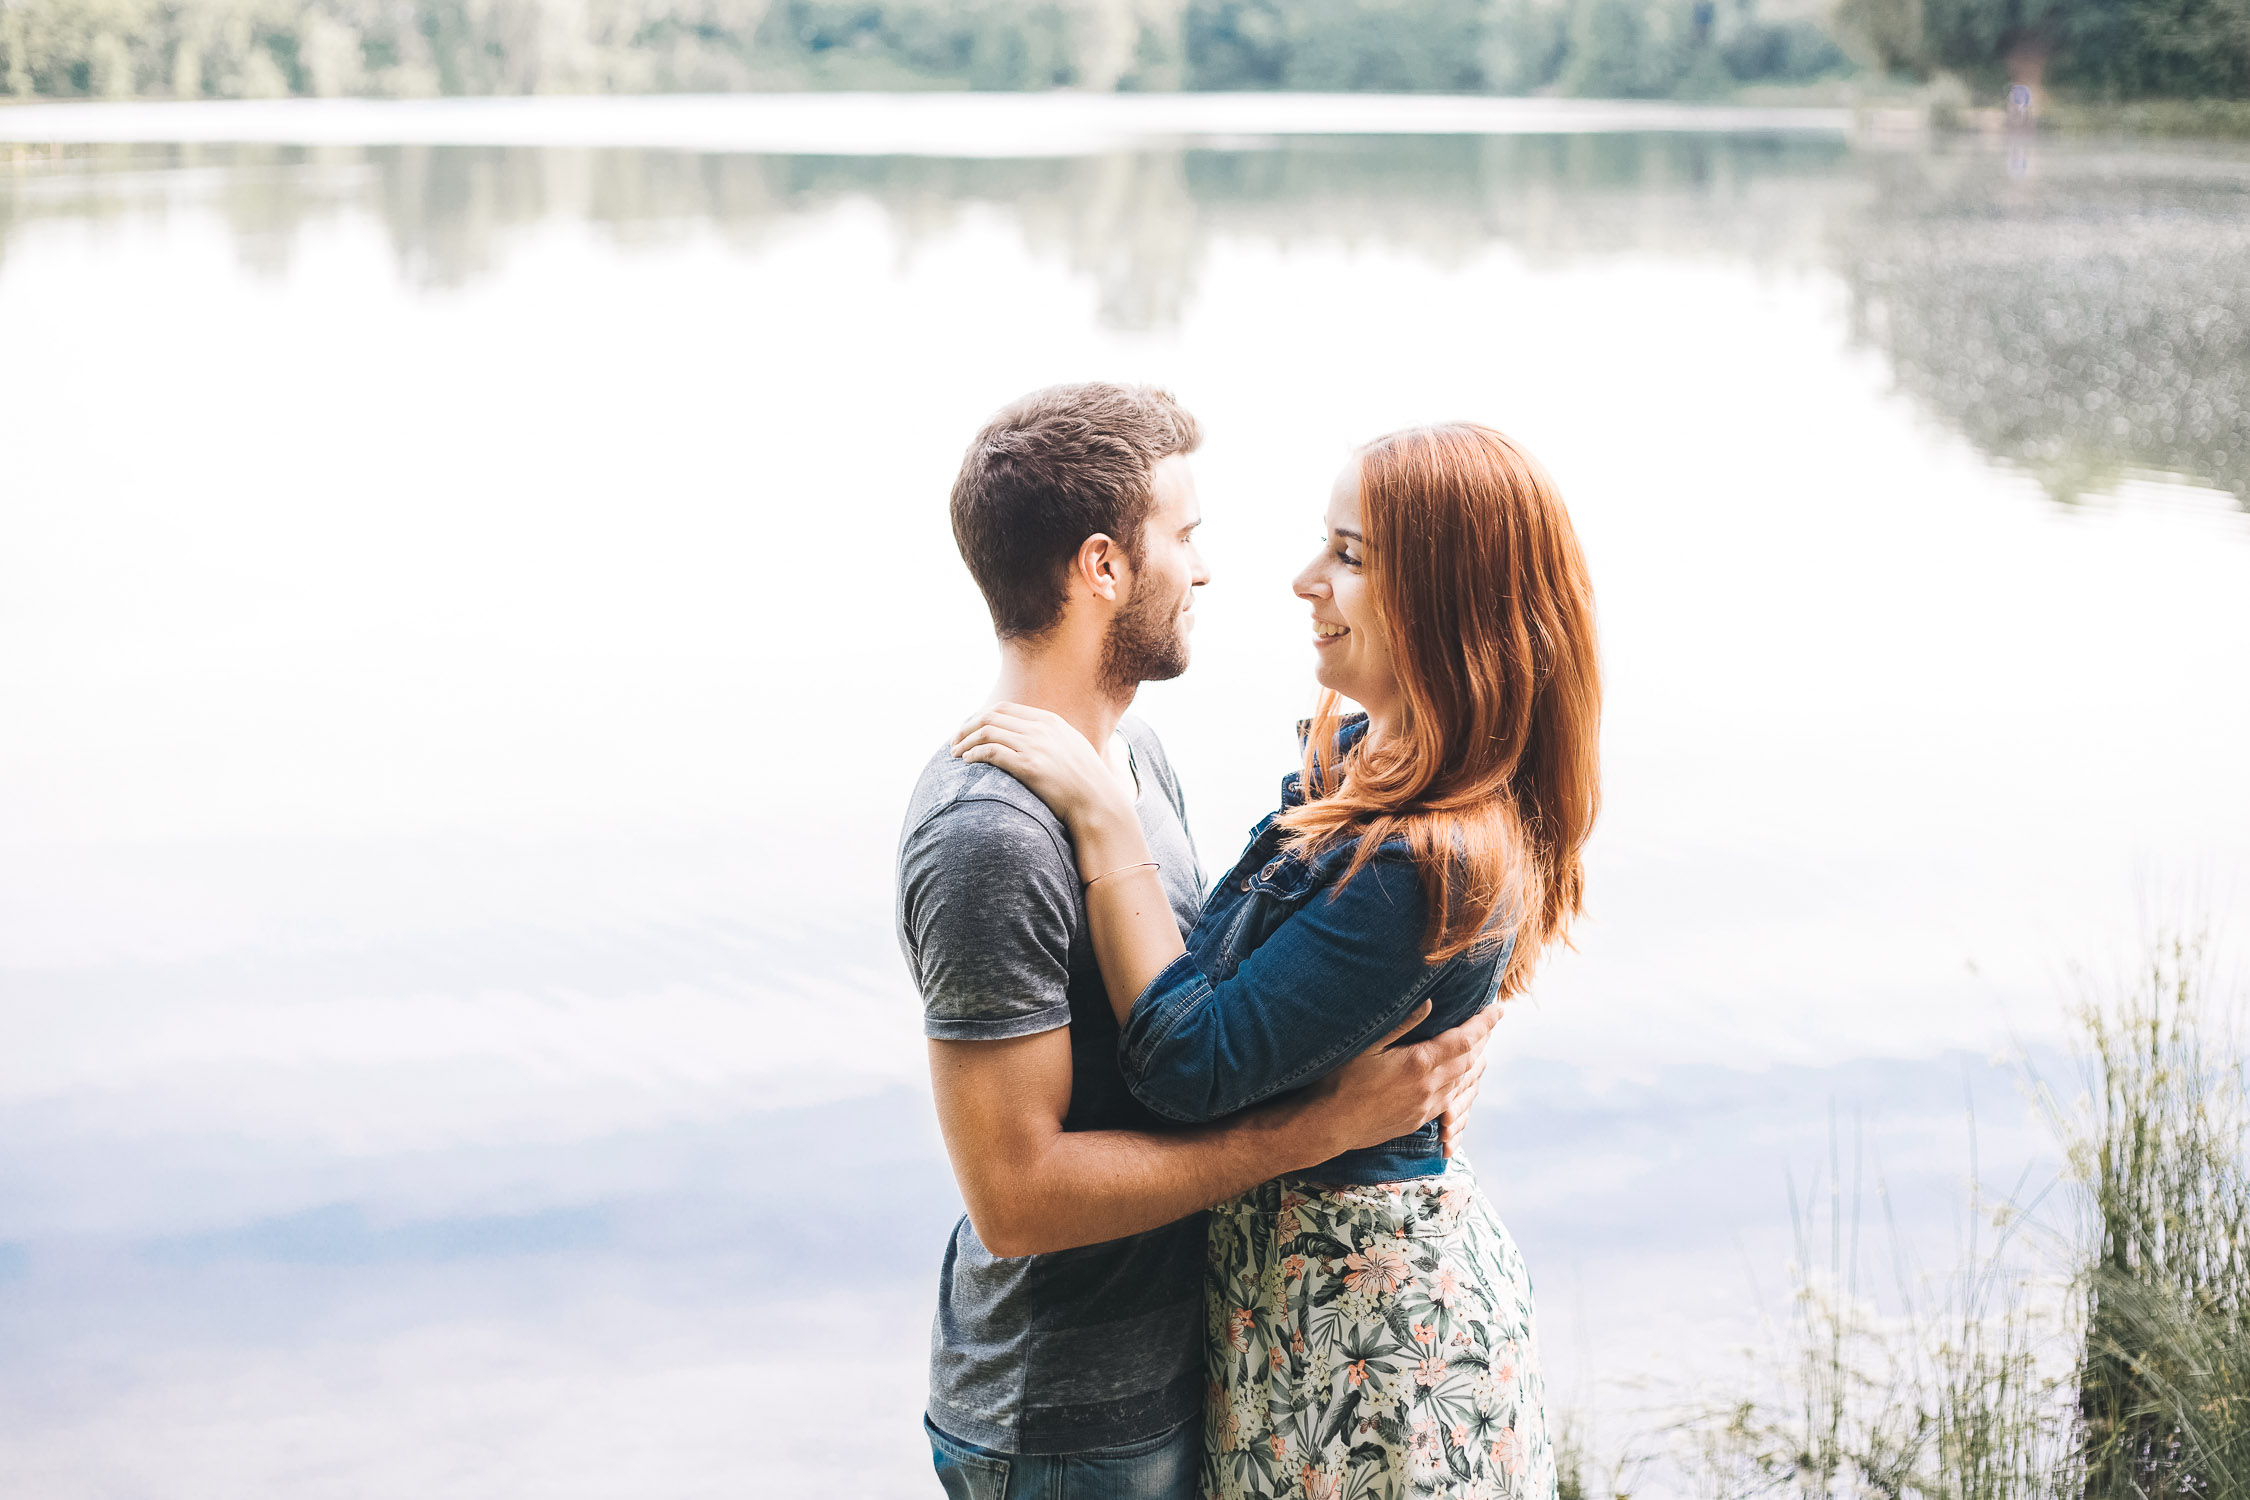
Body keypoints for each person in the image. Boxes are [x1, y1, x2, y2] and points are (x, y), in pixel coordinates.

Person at [954, 421, 1602, 1500]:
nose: (1304, 580)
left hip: (1371, 1339)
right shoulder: (1356, 764)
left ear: (1445, 600)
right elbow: (1247, 997)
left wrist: (1108, 824)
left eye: (1350, 556)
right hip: (1300, 1304)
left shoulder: (1427, 862)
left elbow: (1187, 1061)